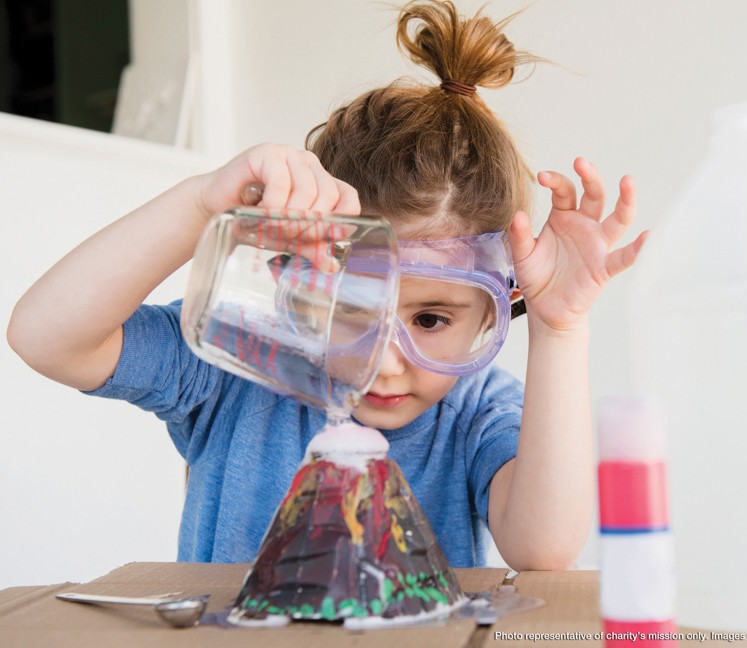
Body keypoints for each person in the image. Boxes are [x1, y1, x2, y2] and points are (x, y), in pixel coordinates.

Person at [7, 0, 646, 571]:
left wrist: (560, 329)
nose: (384, 363)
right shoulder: (242, 373)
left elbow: (545, 548)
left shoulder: (478, 414)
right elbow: (47, 338)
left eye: (430, 320)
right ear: (298, 281)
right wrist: (202, 204)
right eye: (352, 305)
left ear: (494, 310)